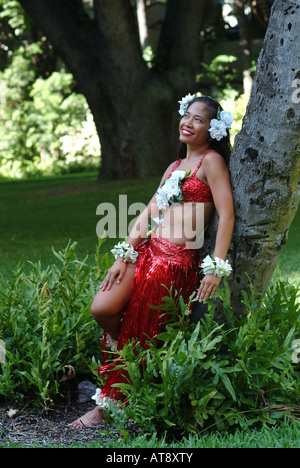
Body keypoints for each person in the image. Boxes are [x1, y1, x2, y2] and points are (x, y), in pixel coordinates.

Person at [69, 94, 235, 428]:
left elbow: (227, 215)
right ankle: (128, 370)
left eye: (199, 119)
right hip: (146, 253)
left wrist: (215, 269)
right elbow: (147, 213)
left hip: (174, 264)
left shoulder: (211, 162)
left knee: (140, 332)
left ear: (213, 129)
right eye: (186, 115)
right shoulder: (174, 167)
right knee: (102, 308)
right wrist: (124, 255)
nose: (188, 122)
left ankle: (109, 406)